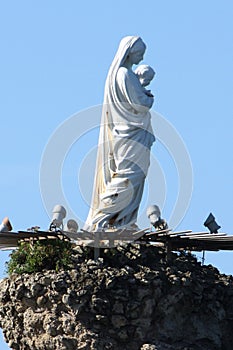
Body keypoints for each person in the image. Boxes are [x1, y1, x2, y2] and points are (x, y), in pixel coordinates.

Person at [84, 36, 155, 231]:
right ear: (129, 52)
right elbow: (140, 104)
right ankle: (102, 217)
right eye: (139, 54)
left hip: (127, 133)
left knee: (132, 175)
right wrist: (149, 99)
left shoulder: (117, 75)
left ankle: (123, 219)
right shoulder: (125, 74)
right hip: (129, 135)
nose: (141, 59)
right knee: (128, 175)